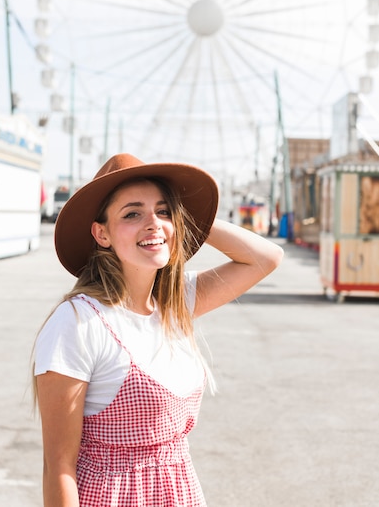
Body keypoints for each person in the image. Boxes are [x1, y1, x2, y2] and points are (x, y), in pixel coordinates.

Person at [34, 153, 283, 507]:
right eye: (132, 213)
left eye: (163, 211)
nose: (153, 223)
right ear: (101, 233)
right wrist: (166, 219)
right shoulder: (77, 322)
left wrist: (185, 218)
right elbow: (58, 466)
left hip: (179, 494)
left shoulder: (174, 302)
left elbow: (265, 257)